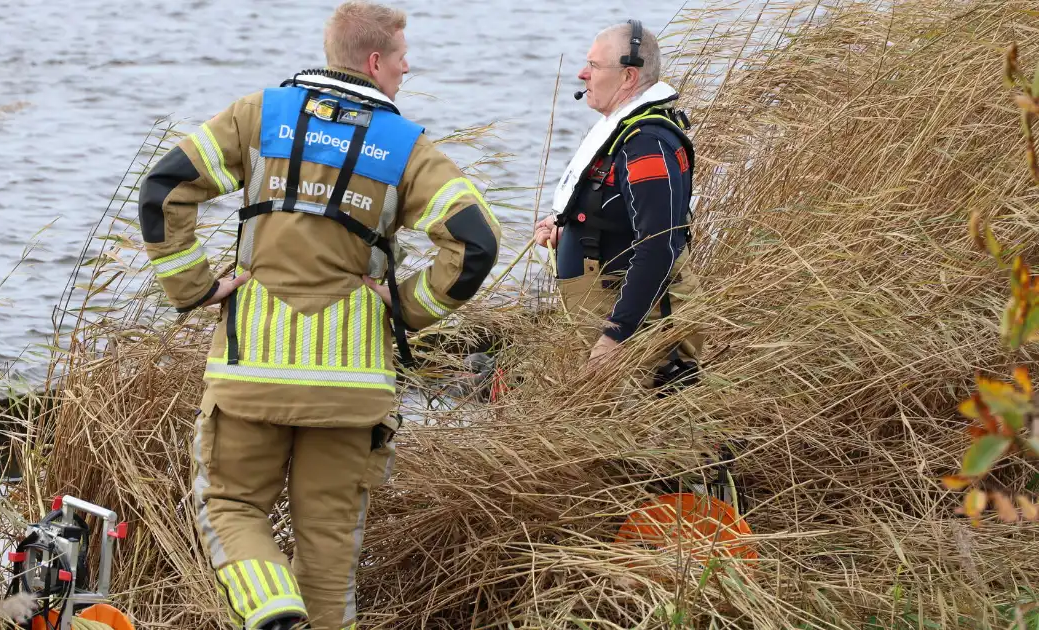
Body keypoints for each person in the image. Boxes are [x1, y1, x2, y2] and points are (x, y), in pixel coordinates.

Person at [136, 2, 502, 628]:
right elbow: (477, 241)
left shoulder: (258, 115)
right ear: (375, 61)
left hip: (251, 374)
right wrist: (408, 306)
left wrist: (195, 287)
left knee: (229, 507)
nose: (407, 69)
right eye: (403, 58)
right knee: (330, 551)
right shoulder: (406, 146)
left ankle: (272, 610)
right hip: (352, 389)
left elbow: (163, 188)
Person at [533, 19, 703, 391]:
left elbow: (658, 246)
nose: (582, 74)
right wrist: (569, 226)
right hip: (608, 314)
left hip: (643, 330)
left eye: (593, 66)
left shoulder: (647, 145)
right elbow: (617, 209)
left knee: (649, 424)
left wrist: (615, 335)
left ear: (628, 77)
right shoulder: (624, 132)